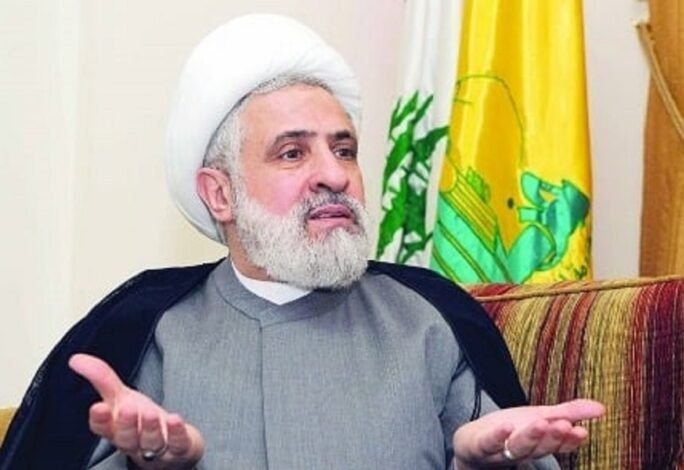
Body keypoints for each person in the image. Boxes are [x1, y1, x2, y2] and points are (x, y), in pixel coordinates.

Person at [0, 14, 604, 470]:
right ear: (220, 194)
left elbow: (509, 446)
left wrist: (477, 464)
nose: (334, 175)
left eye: (344, 149)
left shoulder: (428, 319)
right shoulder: (149, 332)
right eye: (292, 153)